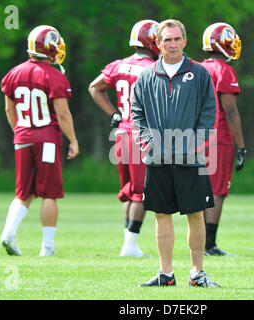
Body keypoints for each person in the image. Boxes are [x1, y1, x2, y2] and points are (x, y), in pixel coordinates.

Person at [132, 19, 221, 287]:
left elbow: (209, 114)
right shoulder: (146, 76)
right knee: (162, 214)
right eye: (167, 40)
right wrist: (148, 142)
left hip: (190, 157)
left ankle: (197, 274)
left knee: (195, 213)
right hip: (157, 158)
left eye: (177, 39)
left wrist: (193, 143)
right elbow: (137, 115)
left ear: (185, 41)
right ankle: (165, 274)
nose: (172, 44)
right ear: (157, 43)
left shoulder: (200, 73)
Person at [0, 25, 79, 257]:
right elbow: (63, 114)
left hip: (22, 136)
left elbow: (8, 109)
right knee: (49, 193)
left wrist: (20, 133)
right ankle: (47, 247)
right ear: (50, 47)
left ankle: (9, 234)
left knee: (23, 193)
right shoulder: (54, 76)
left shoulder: (13, 73)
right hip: (47, 139)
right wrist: (73, 140)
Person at [88, 20, 159, 257]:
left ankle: (129, 243)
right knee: (142, 192)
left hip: (121, 132)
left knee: (130, 190)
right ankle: (129, 246)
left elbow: (94, 88)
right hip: (141, 134)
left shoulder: (118, 65)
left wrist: (114, 113)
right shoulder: (154, 68)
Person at [201, 22, 246, 256]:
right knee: (217, 191)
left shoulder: (193, 67)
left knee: (199, 189)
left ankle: (199, 241)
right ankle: (209, 245)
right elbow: (230, 111)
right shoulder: (223, 71)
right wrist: (241, 146)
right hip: (217, 137)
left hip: (193, 137)